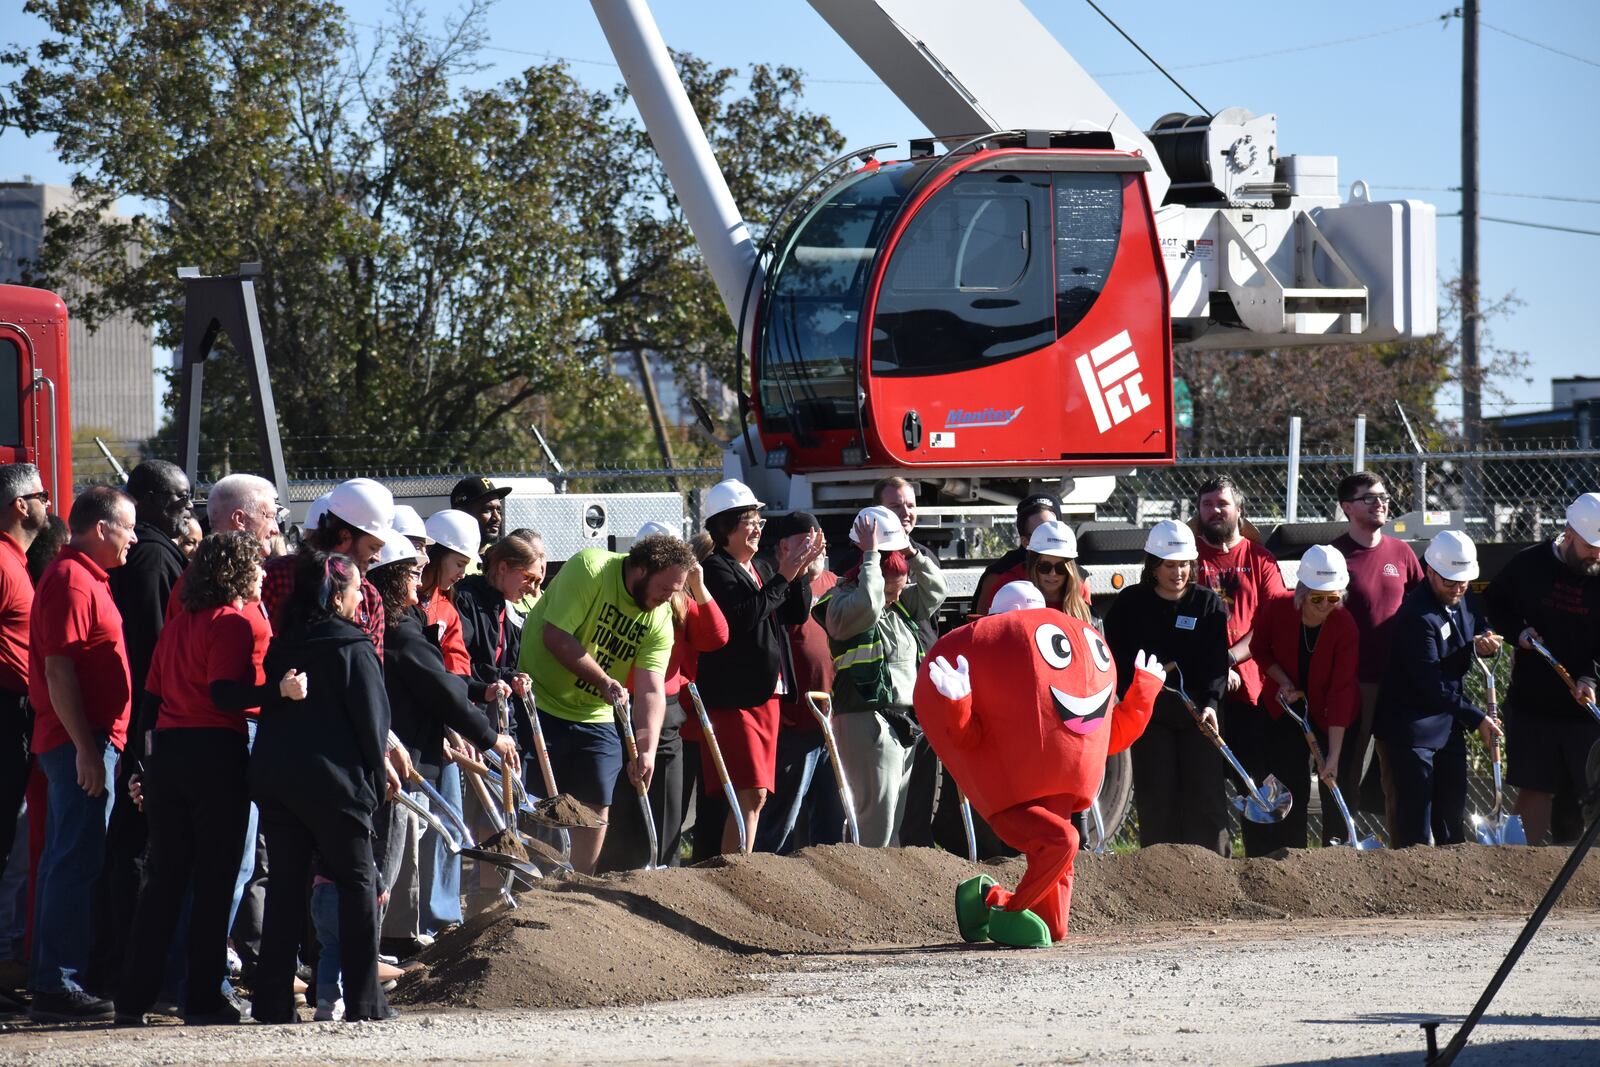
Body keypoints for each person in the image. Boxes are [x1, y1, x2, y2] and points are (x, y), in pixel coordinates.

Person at [114, 531, 306, 1026]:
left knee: (164, 882)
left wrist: (144, 765)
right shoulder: (233, 624)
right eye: (257, 565)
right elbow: (225, 693)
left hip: (171, 756)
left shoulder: (179, 626)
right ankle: (202, 996)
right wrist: (279, 693)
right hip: (214, 754)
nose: (264, 572)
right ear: (238, 572)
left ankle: (132, 998)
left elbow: (151, 703)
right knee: (215, 882)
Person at [250, 551, 397, 1025]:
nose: (360, 599)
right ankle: (363, 1000)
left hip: (281, 781)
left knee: (286, 888)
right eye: (355, 589)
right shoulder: (353, 647)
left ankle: (272, 1000)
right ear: (338, 595)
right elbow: (372, 726)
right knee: (356, 884)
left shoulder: (285, 643)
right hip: (337, 785)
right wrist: (375, 781)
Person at [366, 531, 518, 971]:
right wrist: (490, 737)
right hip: (397, 756)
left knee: (398, 855)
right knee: (385, 859)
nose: (421, 580)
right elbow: (439, 687)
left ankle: (388, 940)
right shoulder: (400, 630)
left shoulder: (404, 623)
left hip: (413, 749)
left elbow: (444, 686)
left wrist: (448, 735)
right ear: (393, 578)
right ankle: (365, 956)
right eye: (413, 572)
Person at [518, 535, 695, 873]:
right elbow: (556, 636)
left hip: (594, 714)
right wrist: (603, 680)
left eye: (676, 590)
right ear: (642, 569)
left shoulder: (658, 617)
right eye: (666, 588)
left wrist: (646, 748)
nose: (669, 598)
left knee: (596, 806)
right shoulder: (591, 569)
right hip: (539, 702)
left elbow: (651, 689)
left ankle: (577, 888)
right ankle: (530, 887)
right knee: (536, 804)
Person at [26, 486, 136, 1021]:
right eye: (128, 527)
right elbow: (57, 669)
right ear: (100, 528)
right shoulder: (72, 578)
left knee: (69, 860)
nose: (134, 538)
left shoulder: (85, 577)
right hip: (81, 742)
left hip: (87, 740)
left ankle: (58, 978)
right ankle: (58, 984)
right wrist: (86, 750)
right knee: (74, 861)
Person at [94, 460, 193, 991]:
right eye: (178, 501)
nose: (186, 511)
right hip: (148, 721)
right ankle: (130, 968)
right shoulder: (154, 559)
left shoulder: (153, 554)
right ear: (151, 499)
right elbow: (156, 649)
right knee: (136, 842)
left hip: (142, 719)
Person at [692, 481, 823, 855]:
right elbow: (743, 617)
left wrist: (796, 573)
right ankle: (735, 870)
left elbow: (796, 613)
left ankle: (740, 864)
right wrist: (784, 574)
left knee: (757, 795)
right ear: (725, 527)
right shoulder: (716, 569)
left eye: (759, 521)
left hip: (767, 697)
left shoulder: (760, 568)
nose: (757, 528)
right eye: (748, 521)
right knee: (748, 791)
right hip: (736, 699)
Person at [818, 505, 946, 847]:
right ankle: (860, 892)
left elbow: (936, 589)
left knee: (893, 821)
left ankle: (878, 891)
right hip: (867, 719)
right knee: (875, 820)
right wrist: (874, 555)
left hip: (900, 720)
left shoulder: (899, 606)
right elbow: (869, 605)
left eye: (901, 588)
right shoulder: (844, 603)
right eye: (891, 589)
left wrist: (911, 552)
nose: (896, 595)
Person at [600, 525, 726, 872]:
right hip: (617, 705)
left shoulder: (680, 598)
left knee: (667, 808)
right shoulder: (624, 595)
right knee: (621, 809)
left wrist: (697, 586)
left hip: (666, 711)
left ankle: (664, 875)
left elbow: (715, 637)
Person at [1102, 520, 1231, 855]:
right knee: (1157, 796)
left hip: (1199, 716)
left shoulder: (1208, 605)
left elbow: (1216, 662)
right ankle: (1159, 876)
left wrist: (1211, 705)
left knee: (1206, 797)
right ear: (1154, 567)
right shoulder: (1130, 604)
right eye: (1170, 565)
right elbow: (1117, 658)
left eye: (1185, 565)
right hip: (1150, 716)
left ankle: (1212, 873)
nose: (1178, 573)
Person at [1375, 531, 1503, 849]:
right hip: (1413, 729)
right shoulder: (1417, 616)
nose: (1458, 588)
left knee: (1451, 819)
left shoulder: (1463, 596)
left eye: (1463, 581)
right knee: (1415, 826)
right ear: (1430, 571)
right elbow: (1432, 685)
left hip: (1449, 725)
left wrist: (1484, 635)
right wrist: (1477, 719)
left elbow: (1476, 618)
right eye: (1450, 581)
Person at [1484, 492, 1600, 845]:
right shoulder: (1528, 564)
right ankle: (1522, 873)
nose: (1597, 554)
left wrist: (1590, 676)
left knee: (1588, 794)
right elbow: (1494, 605)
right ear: (1568, 533)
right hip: (1533, 704)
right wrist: (1516, 633)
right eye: (1590, 546)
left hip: (1584, 710)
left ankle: (1586, 877)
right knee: (1535, 787)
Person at [1191, 475, 1289, 858]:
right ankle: (1214, 864)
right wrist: (1214, 668)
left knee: (1254, 779)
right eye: (1207, 504)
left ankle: (1262, 862)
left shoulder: (1259, 559)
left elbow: (1270, 621)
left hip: (1249, 691)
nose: (1215, 511)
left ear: (1239, 510)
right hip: (1203, 692)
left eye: (1222, 504)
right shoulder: (1190, 559)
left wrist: (1229, 659)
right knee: (1207, 784)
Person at [1329, 472, 1423, 829]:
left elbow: (1421, 604)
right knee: (1349, 768)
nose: (1381, 503)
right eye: (1369, 498)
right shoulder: (1334, 555)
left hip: (1398, 683)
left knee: (1397, 772)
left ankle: (1403, 851)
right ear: (1347, 507)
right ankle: (1343, 847)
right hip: (1354, 684)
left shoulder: (1401, 552)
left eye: (1383, 496)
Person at [1253, 545, 1361, 849]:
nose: (1326, 604)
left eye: (1334, 597)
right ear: (1302, 591)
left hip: (1331, 716)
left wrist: (1334, 756)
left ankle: (1337, 855)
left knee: (1334, 783)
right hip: (1285, 712)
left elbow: (1342, 692)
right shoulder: (1278, 608)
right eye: (1317, 598)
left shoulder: (1345, 626)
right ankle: (1289, 857)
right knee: (1291, 786)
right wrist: (1283, 681)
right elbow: (1260, 649)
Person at [754, 512, 846, 855]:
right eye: (806, 541)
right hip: (795, 723)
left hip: (832, 723)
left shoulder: (834, 583)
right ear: (783, 546)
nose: (815, 548)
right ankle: (768, 882)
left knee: (832, 820)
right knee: (782, 820)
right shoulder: (777, 587)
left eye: (818, 540)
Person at [0, 465, 47, 876]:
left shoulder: (15, 561)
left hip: (17, 712)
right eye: (42, 497)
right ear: (21, 506)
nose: (47, 504)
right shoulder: (1, 560)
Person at [974, 493, 1060, 616]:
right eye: (1039, 532)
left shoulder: (1077, 579)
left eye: (1054, 529)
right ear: (1025, 541)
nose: (1054, 573)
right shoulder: (1001, 576)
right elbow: (984, 625)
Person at [1023, 521, 1093, 623]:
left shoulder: (1081, 595)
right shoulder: (1018, 597)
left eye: (1060, 568)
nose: (1052, 573)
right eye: (1045, 567)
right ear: (1034, 567)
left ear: (1069, 571)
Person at [449, 476, 511, 571]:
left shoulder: (501, 558)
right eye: (487, 510)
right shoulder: (446, 560)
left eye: (498, 510)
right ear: (461, 513)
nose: (497, 518)